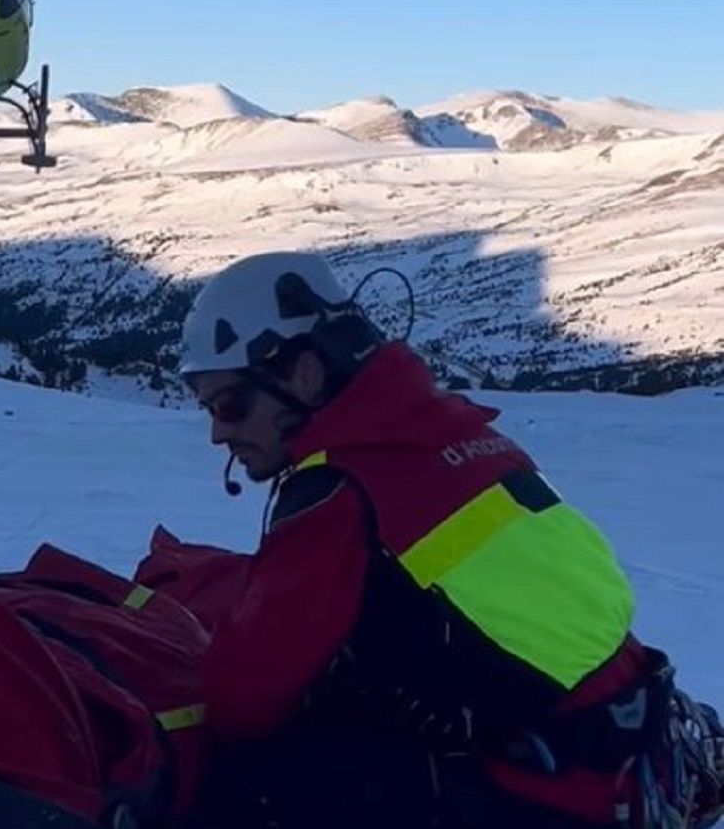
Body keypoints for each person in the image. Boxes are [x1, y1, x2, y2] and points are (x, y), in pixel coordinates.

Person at [178, 251, 723, 829]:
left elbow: (243, 697)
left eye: (232, 405)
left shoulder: (338, 494)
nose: (219, 431)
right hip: (626, 735)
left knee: (242, 776)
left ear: (305, 374)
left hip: (552, 788)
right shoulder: (470, 437)